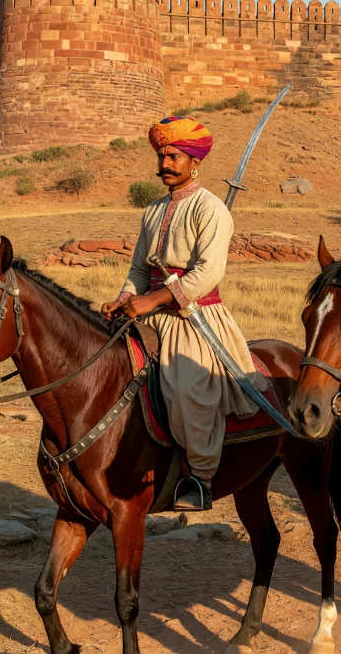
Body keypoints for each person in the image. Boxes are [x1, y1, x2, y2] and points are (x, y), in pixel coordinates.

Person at [100, 116, 267, 511]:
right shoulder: (153, 211)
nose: (165, 163)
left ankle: (200, 480)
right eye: (161, 156)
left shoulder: (211, 210)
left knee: (190, 389)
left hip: (194, 318)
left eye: (173, 155)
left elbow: (208, 273)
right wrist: (124, 297)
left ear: (194, 162)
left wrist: (154, 300)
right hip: (148, 312)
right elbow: (140, 270)